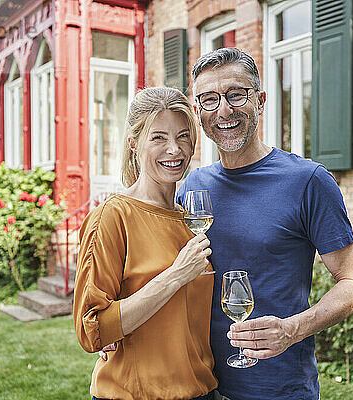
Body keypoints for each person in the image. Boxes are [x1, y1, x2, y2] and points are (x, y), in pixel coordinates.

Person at [175, 47, 353, 400]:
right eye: (209, 99)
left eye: (236, 94)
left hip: (280, 389)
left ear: (260, 101)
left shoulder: (309, 181)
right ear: (198, 113)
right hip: (199, 385)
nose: (224, 110)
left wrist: (293, 329)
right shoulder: (192, 188)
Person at [73, 87, 218, 400]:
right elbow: (91, 330)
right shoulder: (113, 216)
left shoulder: (190, 220)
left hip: (202, 391)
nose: (174, 149)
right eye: (158, 137)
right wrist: (175, 275)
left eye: (183, 136)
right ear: (133, 143)